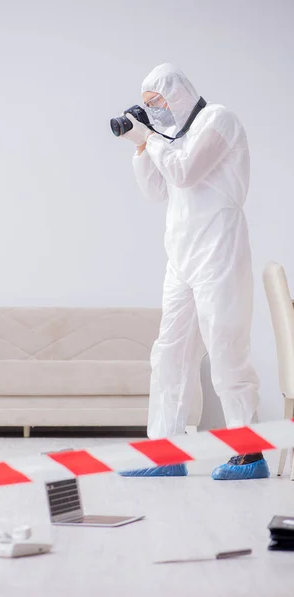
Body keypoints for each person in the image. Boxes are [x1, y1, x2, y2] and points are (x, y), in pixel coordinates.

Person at [119, 63, 269, 480]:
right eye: (148, 106)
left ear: (178, 93)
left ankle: (249, 455)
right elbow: (156, 191)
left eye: (158, 102)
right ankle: (165, 453)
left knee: (225, 349)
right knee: (169, 354)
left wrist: (151, 137)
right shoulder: (170, 139)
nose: (155, 111)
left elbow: (186, 170)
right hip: (181, 258)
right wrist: (141, 147)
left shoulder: (218, 120)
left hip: (219, 251)